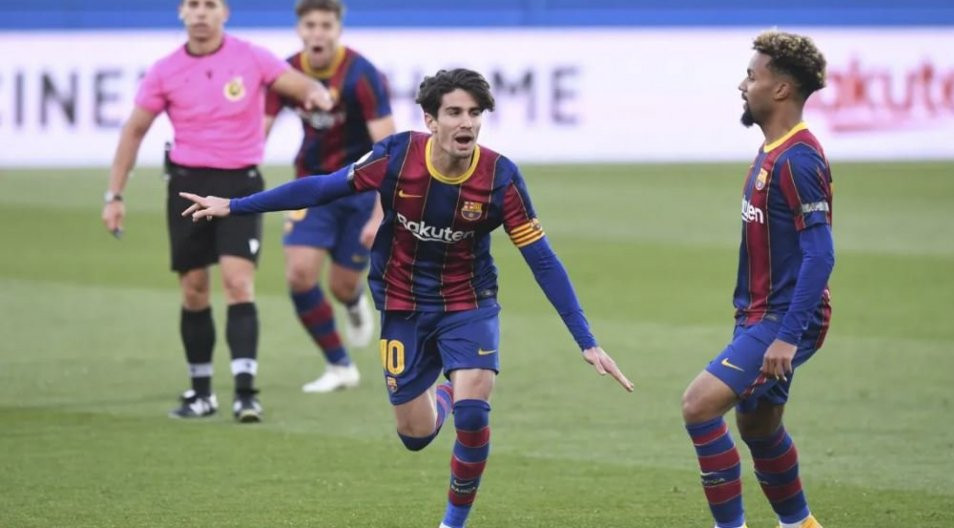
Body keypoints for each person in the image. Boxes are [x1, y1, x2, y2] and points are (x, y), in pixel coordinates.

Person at [180, 68, 634, 528]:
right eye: (454, 112)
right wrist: (234, 206)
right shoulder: (398, 156)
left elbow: (542, 259)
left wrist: (586, 340)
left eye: (475, 114)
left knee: (474, 413)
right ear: (430, 119)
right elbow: (322, 187)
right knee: (414, 434)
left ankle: (452, 522)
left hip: (468, 301)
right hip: (402, 303)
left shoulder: (501, 177)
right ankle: (443, 392)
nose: (467, 124)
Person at [101, 0, 335, 423]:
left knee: (237, 282)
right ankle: (201, 392)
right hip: (187, 185)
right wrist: (114, 195)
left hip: (239, 185)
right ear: (181, 13)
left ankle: (246, 393)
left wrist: (317, 95)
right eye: (193, 5)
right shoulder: (165, 70)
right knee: (193, 288)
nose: (201, 12)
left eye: (210, 4)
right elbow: (134, 130)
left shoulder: (251, 56)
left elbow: (300, 86)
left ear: (224, 12)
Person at [680, 31, 834, 528]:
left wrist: (787, 337)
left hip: (783, 320)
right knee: (758, 426)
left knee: (699, 405)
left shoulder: (798, 160)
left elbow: (821, 254)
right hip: (758, 317)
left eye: (753, 75)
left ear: (782, 90)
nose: (742, 85)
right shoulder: (773, 151)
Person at [264, 0, 395, 394]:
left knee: (341, 286)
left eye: (325, 25)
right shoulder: (285, 73)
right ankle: (340, 366)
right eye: (310, 25)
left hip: (358, 188)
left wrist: (379, 216)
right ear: (299, 29)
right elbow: (258, 131)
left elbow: (388, 149)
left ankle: (353, 302)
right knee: (299, 274)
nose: (317, 33)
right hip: (311, 185)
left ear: (338, 29)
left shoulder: (361, 74)